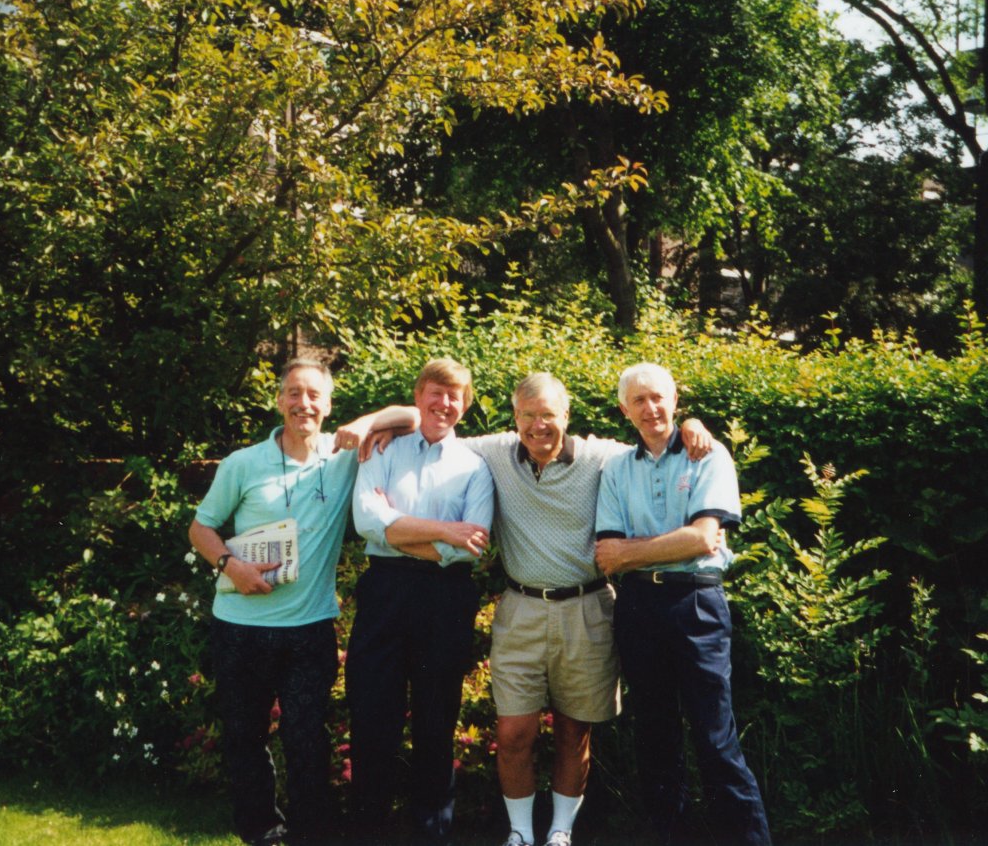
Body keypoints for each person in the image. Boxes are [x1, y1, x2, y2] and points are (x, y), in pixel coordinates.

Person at [455, 373, 712, 846]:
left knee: (576, 731)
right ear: (515, 418)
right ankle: (519, 834)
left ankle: (559, 832)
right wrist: (383, 422)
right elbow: (435, 424)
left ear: (566, 416)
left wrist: (692, 424)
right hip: (520, 609)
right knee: (514, 731)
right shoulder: (492, 452)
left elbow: (656, 436)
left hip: (588, 606)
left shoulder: (600, 457)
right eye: (527, 416)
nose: (538, 426)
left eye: (548, 415)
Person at [188, 358, 419, 846]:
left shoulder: (342, 458)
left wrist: (364, 423)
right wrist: (232, 567)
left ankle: (312, 833)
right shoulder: (243, 464)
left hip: (309, 628)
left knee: (306, 737)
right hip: (240, 625)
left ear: (329, 404)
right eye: (294, 393)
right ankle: (263, 830)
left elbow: (412, 416)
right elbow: (200, 528)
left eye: (314, 395)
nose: (304, 404)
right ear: (279, 401)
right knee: (245, 736)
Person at [594, 363, 771, 846]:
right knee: (654, 737)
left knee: (715, 739)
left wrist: (638, 549)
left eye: (658, 398)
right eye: (639, 401)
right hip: (637, 608)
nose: (651, 408)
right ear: (624, 410)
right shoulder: (615, 469)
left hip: (696, 604)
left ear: (676, 401)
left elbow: (702, 538)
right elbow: (607, 554)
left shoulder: (708, 455)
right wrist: (664, 546)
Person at [347, 357, 496, 846]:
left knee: (437, 719)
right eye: (436, 392)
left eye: (455, 395)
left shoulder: (476, 467)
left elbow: (469, 545)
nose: (444, 403)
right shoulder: (384, 449)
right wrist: (441, 533)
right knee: (373, 716)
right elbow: (368, 518)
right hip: (384, 591)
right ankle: (368, 830)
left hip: (445, 598)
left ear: (465, 405)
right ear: (418, 396)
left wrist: (403, 531)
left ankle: (433, 834)